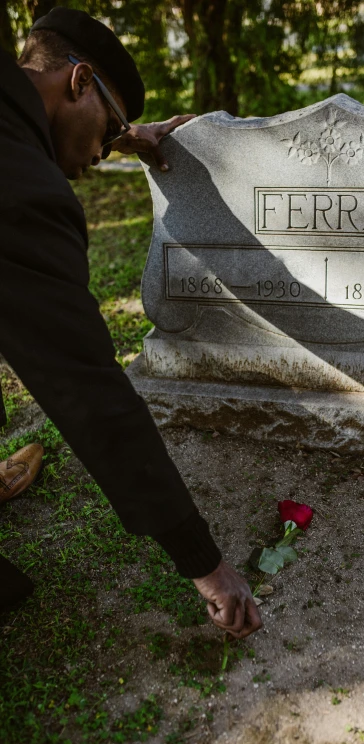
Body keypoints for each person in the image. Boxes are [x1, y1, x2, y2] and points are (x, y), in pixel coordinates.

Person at [0, 6, 262, 639]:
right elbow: (87, 391)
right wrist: (207, 565)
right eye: (109, 128)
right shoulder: (23, 194)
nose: (102, 152)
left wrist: (118, 131)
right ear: (79, 81)